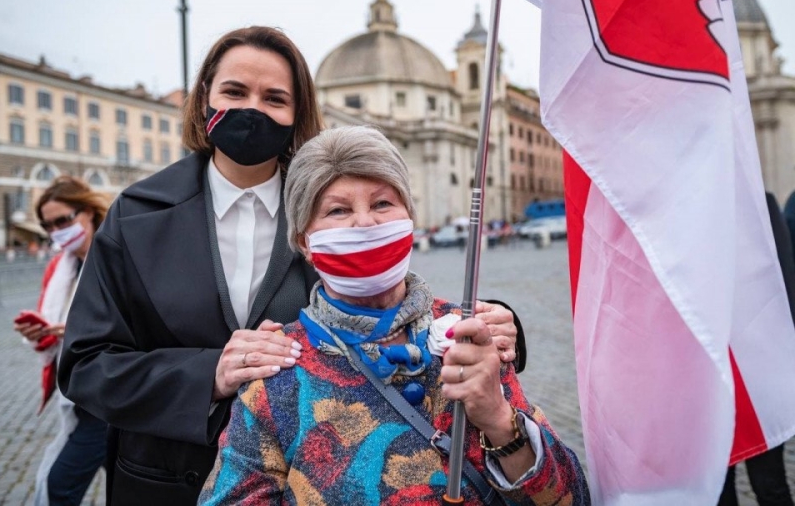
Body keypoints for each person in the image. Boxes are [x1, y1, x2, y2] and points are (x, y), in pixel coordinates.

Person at [58, 26, 525, 506]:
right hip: (162, 479)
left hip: (307, 478)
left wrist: (498, 323)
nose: (253, 110)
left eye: (274, 98)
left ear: (297, 113)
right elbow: (85, 365)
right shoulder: (137, 214)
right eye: (235, 92)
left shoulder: (332, 208)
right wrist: (207, 375)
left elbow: (399, 306)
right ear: (204, 100)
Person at [199, 126, 589, 505]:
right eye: (338, 210)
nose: (365, 222)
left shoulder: (473, 336)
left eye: (382, 203)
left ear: (409, 217)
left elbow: (572, 498)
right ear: (304, 241)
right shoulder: (279, 366)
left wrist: (500, 421)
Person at [13, 176, 110, 506]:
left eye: (62, 220)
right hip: (78, 393)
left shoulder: (116, 252)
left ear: (87, 212)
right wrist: (40, 333)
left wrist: (80, 332)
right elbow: (53, 323)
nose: (56, 231)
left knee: (58, 486)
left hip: (108, 396)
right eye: (48, 225)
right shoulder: (60, 266)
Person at [718, 192, 794, 506]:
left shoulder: (761, 202)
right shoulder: (688, 204)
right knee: (719, 487)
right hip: (713, 372)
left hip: (758, 368)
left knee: (770, 483)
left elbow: (785, 285)